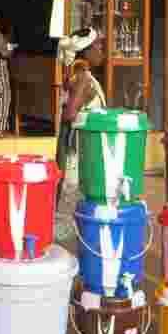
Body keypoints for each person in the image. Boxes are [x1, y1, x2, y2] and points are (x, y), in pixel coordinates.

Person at [54, 28, 106, 239]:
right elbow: (70, 114)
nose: (102, 51)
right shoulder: (83, 78)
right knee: (75, 189)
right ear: (86, 51)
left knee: (72, 189)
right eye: (98, 46)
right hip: (78, 145)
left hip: (74, 143)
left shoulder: (78, 75)